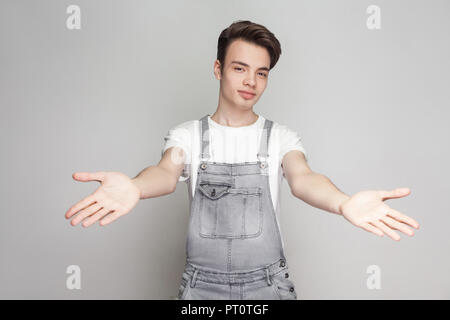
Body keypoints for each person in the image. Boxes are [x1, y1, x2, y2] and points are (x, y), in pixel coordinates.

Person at [65, 20, 420, 300]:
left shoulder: (280, 137)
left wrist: (344, 203)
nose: (251, 81)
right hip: (201, 287)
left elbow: (303, 178)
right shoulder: (187, 136)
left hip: (268, 285)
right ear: (218, 69)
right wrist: (134, 187)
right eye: (240, 68)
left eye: (262, 72)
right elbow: (165, 172)